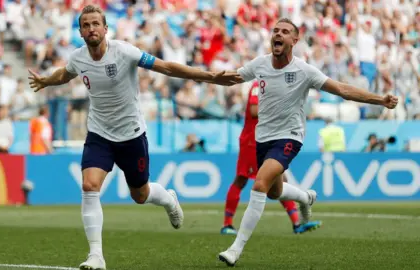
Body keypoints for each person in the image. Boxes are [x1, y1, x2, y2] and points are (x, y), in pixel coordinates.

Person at [27, 5, 233, 270]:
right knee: (90, 186)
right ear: (80, 31)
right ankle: (96, 255)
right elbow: (64, 74)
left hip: (131, 135)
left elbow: (167, 67)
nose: (91, 29)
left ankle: (168, 199)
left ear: (105, 28)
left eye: (95, 24)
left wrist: (211, 76)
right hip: (99, 133)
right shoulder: (79, 58)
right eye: (86, 25)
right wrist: (45, 80)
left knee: (140, 193)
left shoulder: (124, 52)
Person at [209, 18, 398, 267]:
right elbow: (234, 77)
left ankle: (236, 248)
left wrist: (379, 100)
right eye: (276, 30)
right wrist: (207, 77)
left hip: (289, 137)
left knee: (260, 185)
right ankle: (305, 197)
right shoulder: (260, 64)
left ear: (294, 41)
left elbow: (342, 89)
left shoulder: (304, 71)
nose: (278, 34)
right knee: (275, 191)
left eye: (285, 32)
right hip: (262, 139)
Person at [221, 81, 321, 236]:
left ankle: (297, 224)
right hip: (252, 142)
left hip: (268, 140)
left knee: (281, 180)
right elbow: (254, 110)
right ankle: (227, 225)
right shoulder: (258, 86)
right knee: (241, 179)